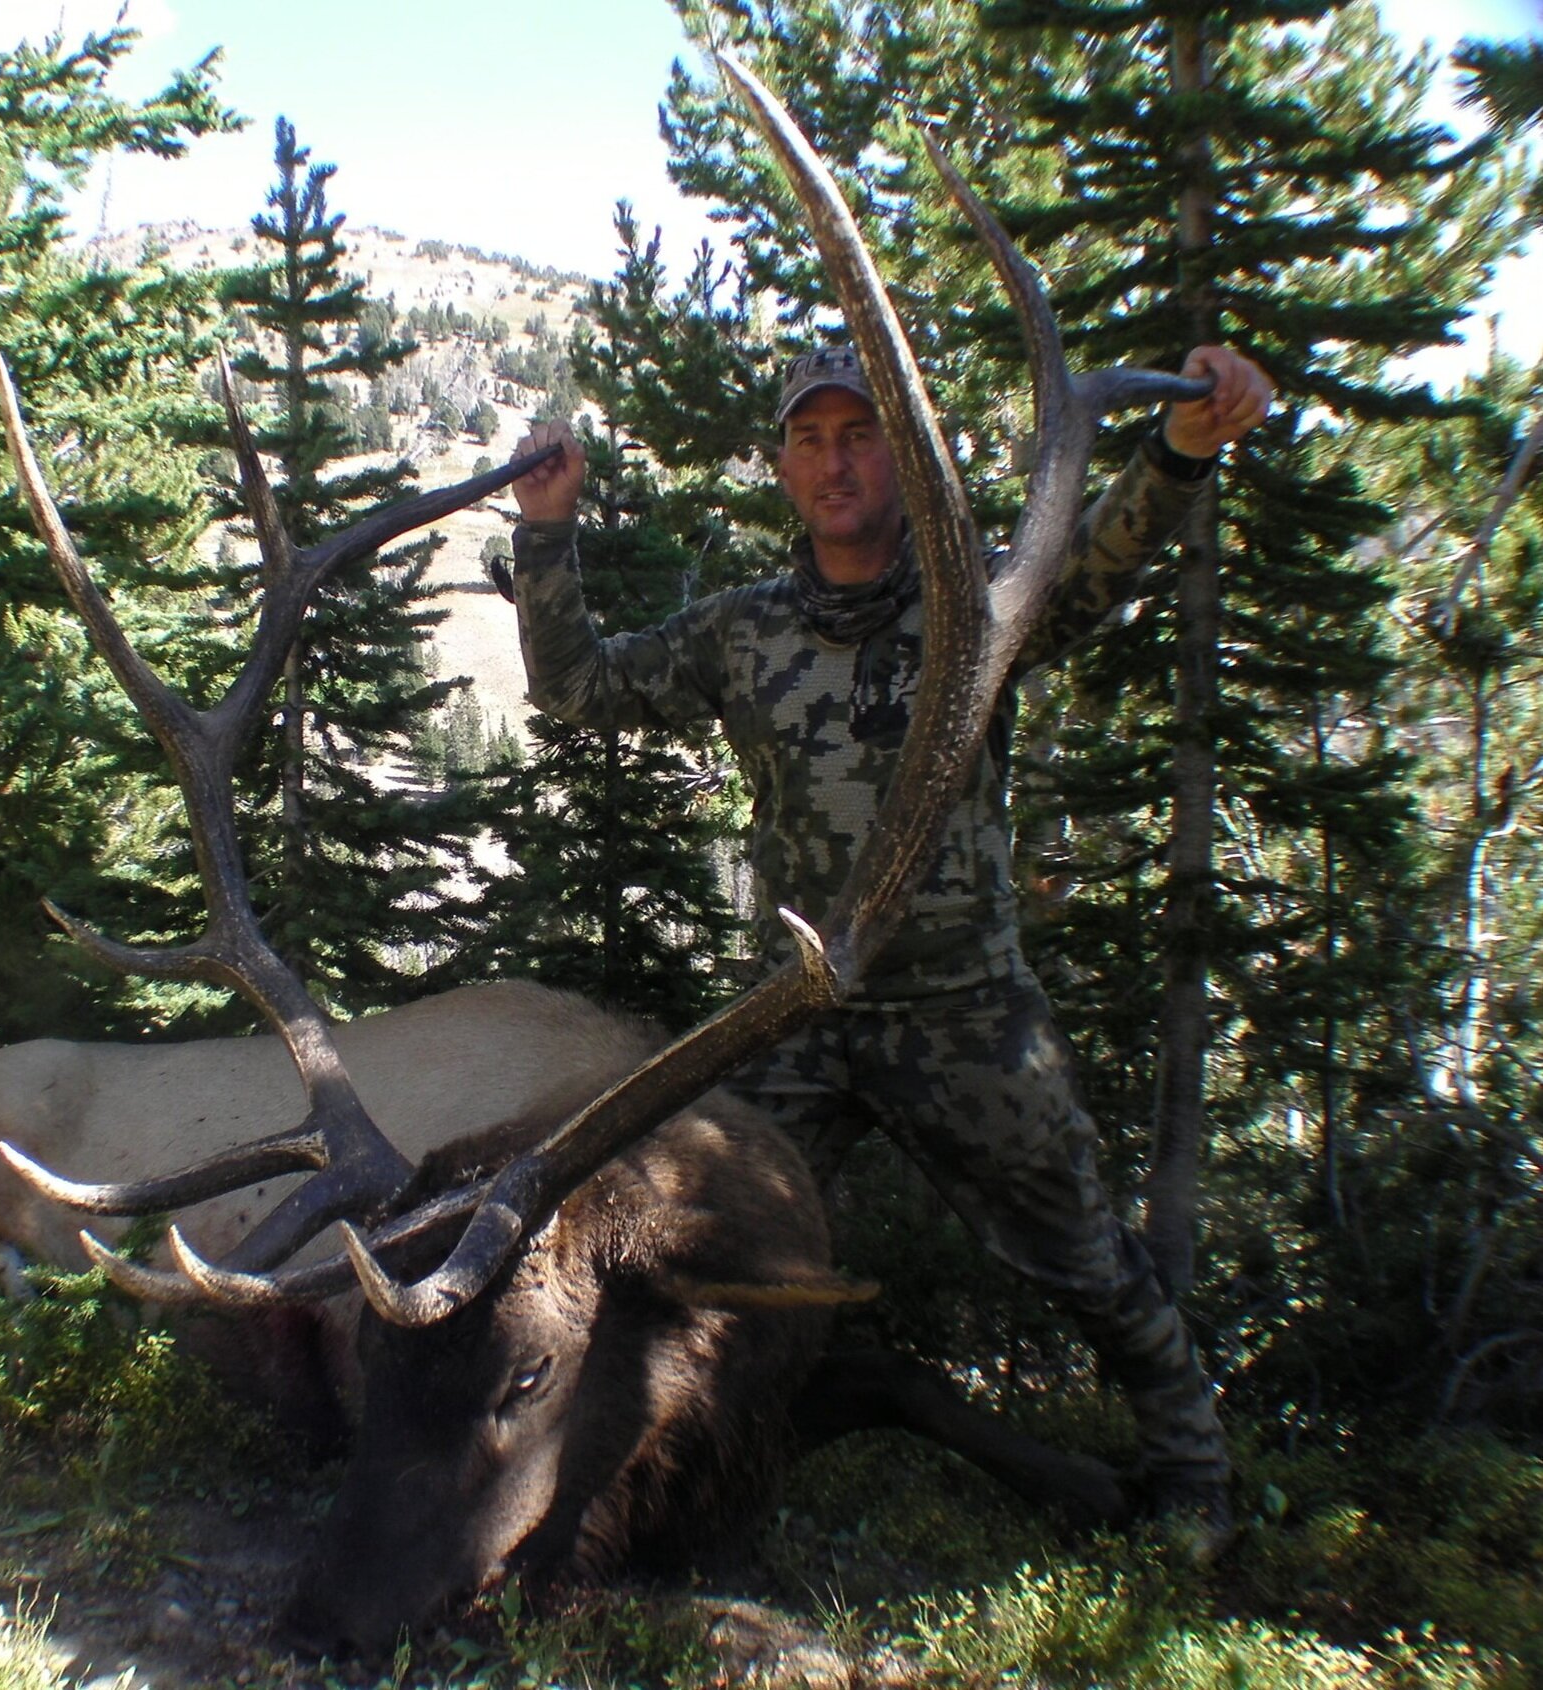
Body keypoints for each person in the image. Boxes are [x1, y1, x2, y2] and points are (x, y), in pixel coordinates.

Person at [505, 342, 1274, 1558]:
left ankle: (1194, 1483)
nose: (833, 462)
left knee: (1080, 1251)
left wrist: (1179, 449)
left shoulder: (981, 599)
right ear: (779, 466)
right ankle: (648, 1485)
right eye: (807, 440)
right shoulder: (742, 629)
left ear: (899, 450)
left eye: (857, 434)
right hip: (795, 1016)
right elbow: (579, 687)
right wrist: (546, 530)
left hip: (964, 1008)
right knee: (692, 1247)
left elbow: (1098, 562)